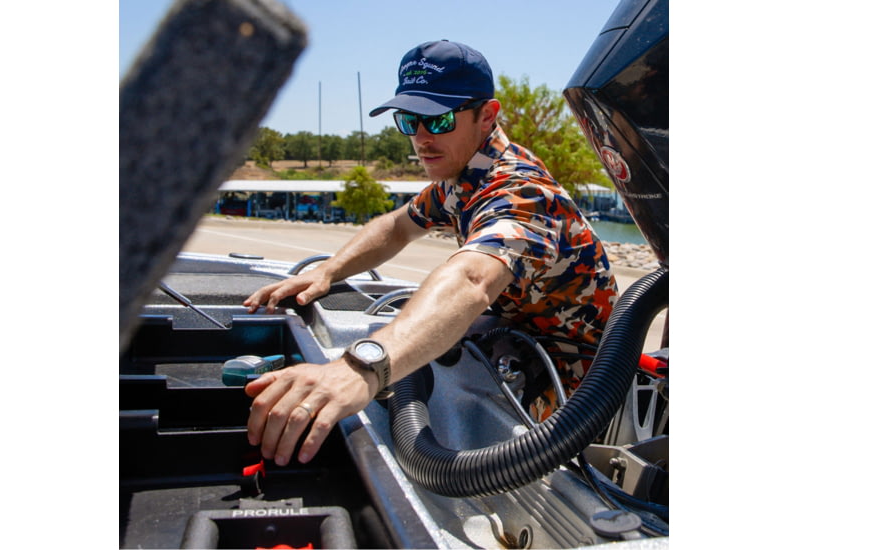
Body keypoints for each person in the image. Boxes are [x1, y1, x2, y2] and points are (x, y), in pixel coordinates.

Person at [242, 39, 618, 466]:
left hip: (574, 389)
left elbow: (472, 279)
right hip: (516, 343)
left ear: (487, 116)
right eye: (410, 120)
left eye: (438, 120)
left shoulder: (521, 192)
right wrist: (328, 271)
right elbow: (397, 226)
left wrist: (361, 368)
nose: (421, 138)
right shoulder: (464, 177)